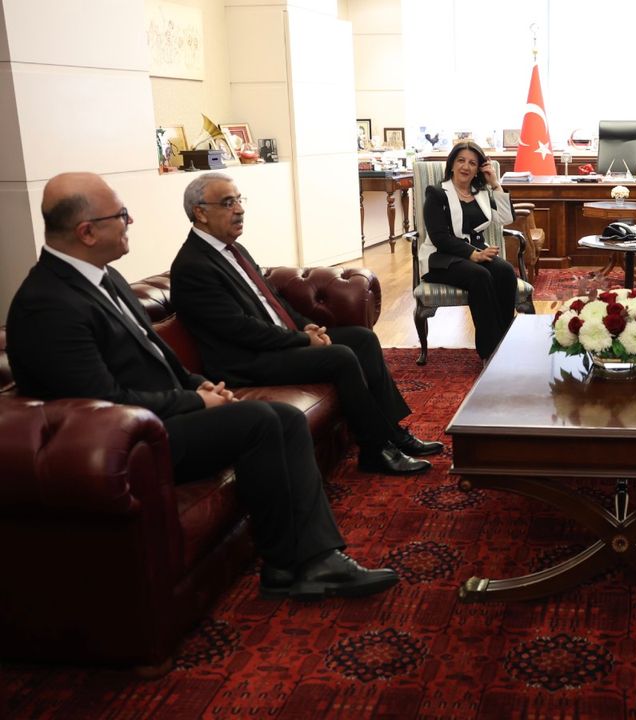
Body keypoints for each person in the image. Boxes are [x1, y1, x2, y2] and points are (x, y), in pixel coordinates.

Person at [5, 172, 398, 600]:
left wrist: (201, 384)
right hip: (130, 438)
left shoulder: (105, 277)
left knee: (283, 419)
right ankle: (307, 562)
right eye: (121, 214)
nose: (130, 221)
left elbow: (158, 356)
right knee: (261, 422)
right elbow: (103, 402)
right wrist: (194, 400)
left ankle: (291, 566)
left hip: (159, 414)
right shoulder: (48, 305)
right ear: (86, 232)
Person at [170, 173, 439, 477]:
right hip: (246, 360)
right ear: (200, 212)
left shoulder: (234, 250)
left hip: (276, 342)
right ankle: (375, 450)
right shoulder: (193, 266)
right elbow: (239, 329)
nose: (240, 210)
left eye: (239, 200)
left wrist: (307, 327)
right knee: (340, 357)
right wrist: (300, 340)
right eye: (228, 203)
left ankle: (394, 432)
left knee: (362, 339)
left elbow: (274, 301)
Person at [421, 140, 518, 361]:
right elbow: (439, 238)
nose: (466, 166)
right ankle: (489, 352)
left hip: (475, 252)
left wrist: (495, 184)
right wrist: (473, 255)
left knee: (505, 271)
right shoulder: (437, 194)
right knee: (480, 276)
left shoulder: (481, 192)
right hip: (441, 258)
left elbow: (506, 218)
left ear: (478, 169)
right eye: (461, 160)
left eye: (472, 163)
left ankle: (504, 341)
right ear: (452, 164)